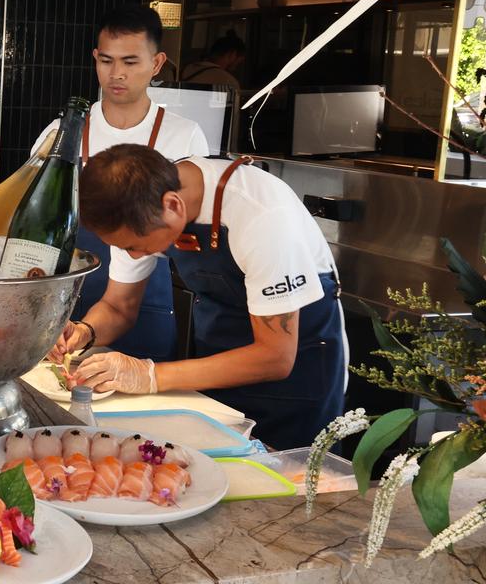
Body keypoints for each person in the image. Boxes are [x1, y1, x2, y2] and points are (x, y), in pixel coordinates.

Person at [56, 144, 346, 450]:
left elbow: (275, 356)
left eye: (134, 247)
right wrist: (84, 332)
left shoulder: (263, 217)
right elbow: (119, 305)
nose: (135, 255)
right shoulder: (140, 205)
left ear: (173, 206)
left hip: (298, 381)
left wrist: (148, 375)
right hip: (217, 366)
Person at [33, 5, 209, 363]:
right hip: (62, 301)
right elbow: (32, 226)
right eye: (107, 61)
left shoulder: (184, 136)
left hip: (147, 303)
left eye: (130, 62)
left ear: (157, 64)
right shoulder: (62, 133)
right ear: (95, 58)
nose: (116, 74)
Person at [180, 31, 245, 91]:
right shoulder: (229, 82)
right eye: (238, 62)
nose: (237, 67)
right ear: (232, 54)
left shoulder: (184, 69)